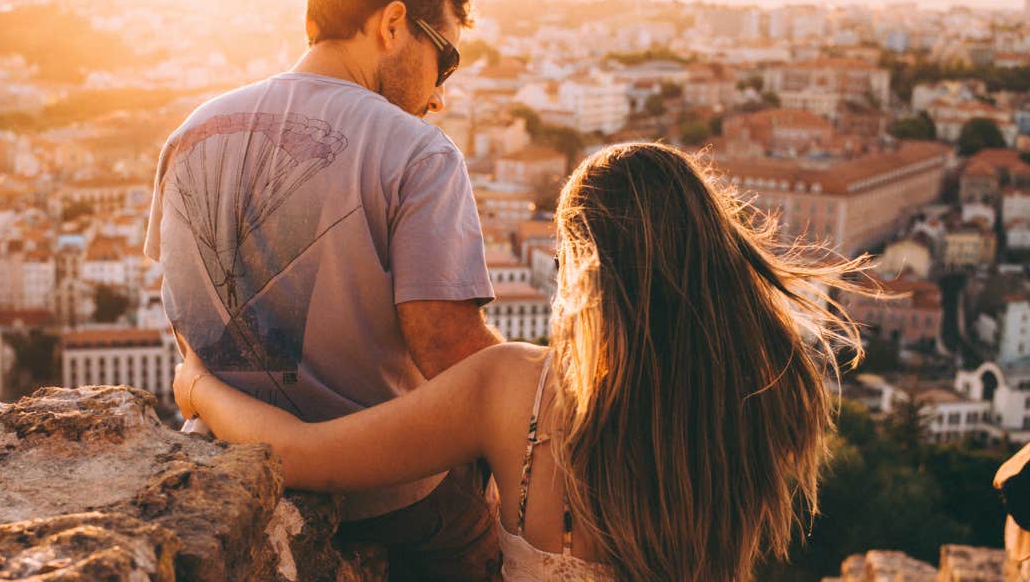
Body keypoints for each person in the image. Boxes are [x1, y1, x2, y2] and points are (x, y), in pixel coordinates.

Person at [173, 143, 870, 581]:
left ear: (584, 268)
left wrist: (200, 383)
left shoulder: (513, 388)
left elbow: (301, 454)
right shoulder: (758, 400)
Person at [143, 0, 502, 579]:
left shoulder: (189, 134)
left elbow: (185, 314)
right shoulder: (418, 153)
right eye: (447, 59)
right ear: (392, 25)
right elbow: (448, 352)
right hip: (391, 498)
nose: (439, 96)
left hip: (226, 464)